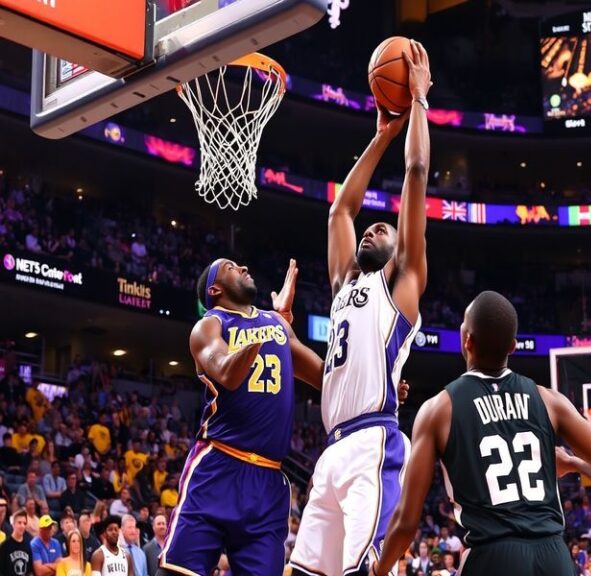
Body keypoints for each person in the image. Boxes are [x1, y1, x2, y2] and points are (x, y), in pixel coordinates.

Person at [370, 291, 591, 576]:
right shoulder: (549, 401)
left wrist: (378, 569)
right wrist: (574, 463)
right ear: (512, 346)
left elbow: (406, 522)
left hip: (493, 556)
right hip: (554, 557)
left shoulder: (438, 410)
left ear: (467, 340)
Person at [290, 39, 431, 576]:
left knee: (364, 571)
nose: (372, 228)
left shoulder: (402, 282)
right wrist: (380, 136)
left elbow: (415, 172)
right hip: (331, 450)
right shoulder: (346, 284)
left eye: (383, 229)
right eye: (370, 228)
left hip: (373, 440)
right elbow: (340, 212)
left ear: (399, 250)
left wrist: (418, 102)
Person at [156, 258, 326, 576]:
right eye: (231, 267)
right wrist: (264, 330)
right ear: (215, 289)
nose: (244, 268)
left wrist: (379, 386)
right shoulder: (209, 325)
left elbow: (324, 377)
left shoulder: (276, 325)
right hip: (219, 467)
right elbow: (227, 373)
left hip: (268, 480)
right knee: (177, 572)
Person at [0, 510, 33, 575]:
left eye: (24, 523)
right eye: (19, 523)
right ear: (13, 524)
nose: (22, 526)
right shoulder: (5, 545)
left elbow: (30, 571)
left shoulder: (28, 545)